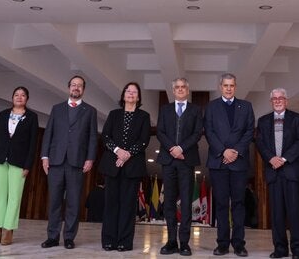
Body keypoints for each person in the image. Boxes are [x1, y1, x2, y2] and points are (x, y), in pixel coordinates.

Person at [39, 75, 98, 249]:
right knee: (55, 201)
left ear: (83, 90)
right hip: (56, 161)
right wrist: (44, 156)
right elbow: (48, 133)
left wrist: (90, 158)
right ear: (68, 88)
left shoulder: (90, 111)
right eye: (73, 85)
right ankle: (52, 237)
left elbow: (93, 137)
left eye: (80, 86)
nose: (76, 88)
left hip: (77, 162)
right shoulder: (56, 109)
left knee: (73, 202)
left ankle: (69, 237)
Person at [204, 73, 255, 257]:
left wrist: (236, 151)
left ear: (235, 86)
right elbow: (209, 131)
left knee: (239, 204)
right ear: (220, 86)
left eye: (231, 85)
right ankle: (223, 244)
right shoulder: (211, 107)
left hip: (239, 162)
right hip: (218, 162)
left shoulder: (246, 106)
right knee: (221, 204)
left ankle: (239, 244)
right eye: (225, 85)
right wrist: (223, 151)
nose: (228, 88)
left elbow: (249, 131)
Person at [98, 82, 151, 252]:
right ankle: (108, 241)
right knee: (111, 204)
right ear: (123, 95)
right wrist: (118, 151)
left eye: (134, 92)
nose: (131, 94)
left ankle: (124, 242)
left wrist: (127, 154)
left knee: (128, 205)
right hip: (112, 165)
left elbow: (144, 140)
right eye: (128, 91)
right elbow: (106, 136)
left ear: (138, 97)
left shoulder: (144, 116)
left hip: (132, 166)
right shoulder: (114, 114)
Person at [255, 88, 299, 259]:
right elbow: (260, 144)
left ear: (286, 100)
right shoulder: (262, 121)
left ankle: (298, 250)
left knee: (295, 213)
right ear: (271, 102)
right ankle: (280, 249)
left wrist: (283, 159)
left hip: (291, 171)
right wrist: (271, 159)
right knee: (276, 214)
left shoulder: (297, 119)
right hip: (273, 172)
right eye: (274, 99)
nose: (277, 101)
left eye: (281, 98)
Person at [0, 86, 39, 246]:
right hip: (0, 160)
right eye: (16, 95)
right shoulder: (2, 115)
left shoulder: (32, 117)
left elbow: (32, 143)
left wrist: (28, 165)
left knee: (14, 196)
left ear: (27, 99)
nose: (19, 97)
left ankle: (8, 230)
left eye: (23, 95)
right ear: (12, 98)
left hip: (19, 162)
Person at [156, 77, 203, 256]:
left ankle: (184, 242)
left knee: (185, 203)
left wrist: (181, 148)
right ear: (173, 90)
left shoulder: (196, 110)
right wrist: (172, 149)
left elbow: (198, 132)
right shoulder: (165, 109)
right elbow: (160, 131)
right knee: (168, 202)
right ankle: (171, 241)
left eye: (184, 87)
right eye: (177, 87)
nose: (181, 89)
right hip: (168, 160)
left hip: (187, 159)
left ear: (187, 90)